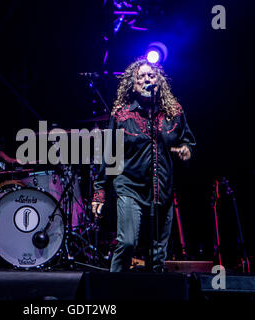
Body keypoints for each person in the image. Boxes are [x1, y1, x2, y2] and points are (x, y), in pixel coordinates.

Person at [91, 57, 196, 272]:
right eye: (141, 77)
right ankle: (111, 292)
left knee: (158, 253)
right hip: (129, 186)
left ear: (159, 80)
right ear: (133, 83)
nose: (147, 79)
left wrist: (185, 149)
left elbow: (187, 139)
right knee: (127, 242)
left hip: (162, 189)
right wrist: (99, 191)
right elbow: (109, 154)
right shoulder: (122, 114)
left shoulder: (173, 112)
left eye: (151, 75)